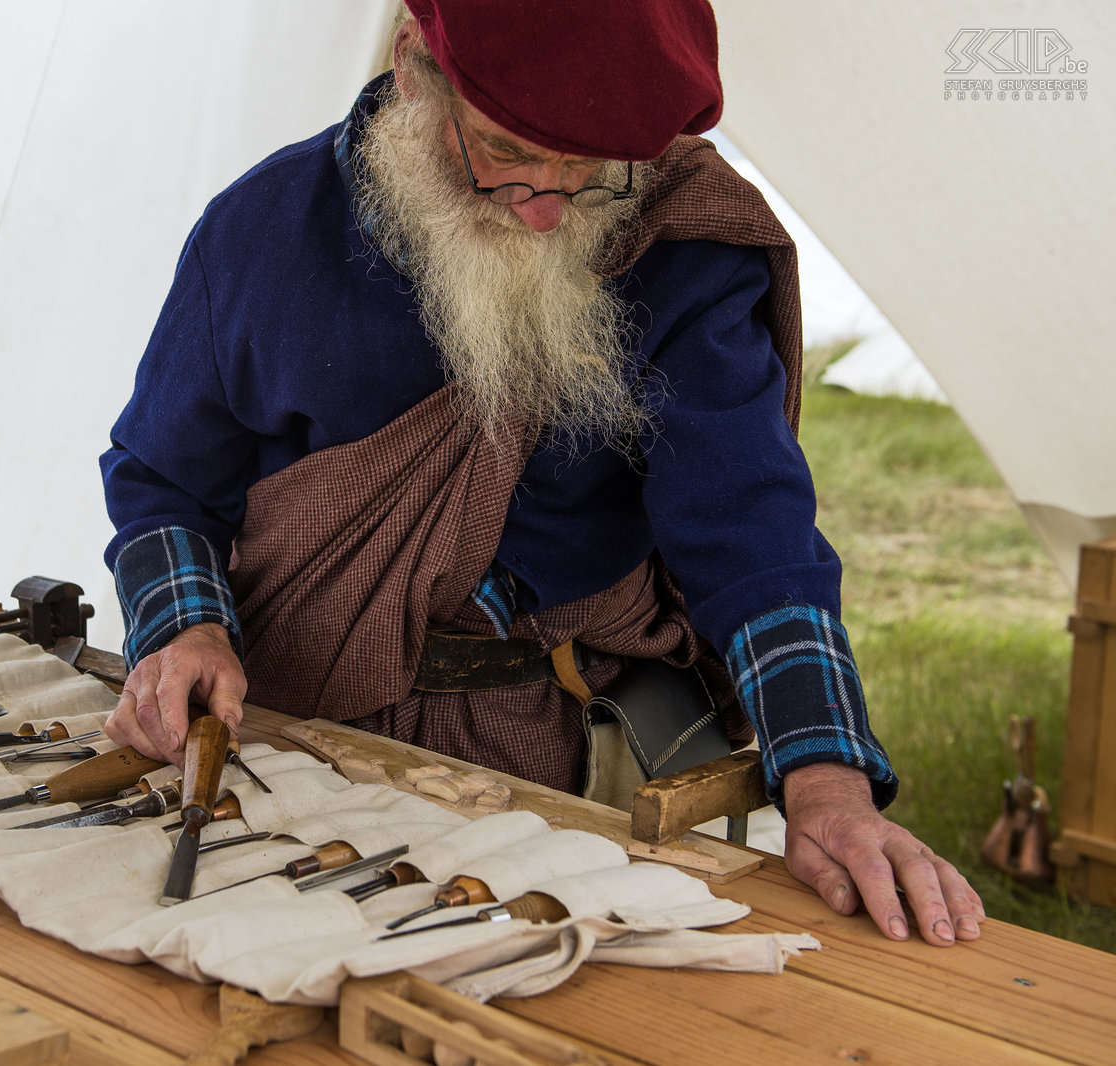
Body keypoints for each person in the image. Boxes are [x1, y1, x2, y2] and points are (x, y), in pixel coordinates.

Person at [98, 0, 984, 947]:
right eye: (508, 151)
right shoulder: (260, 231)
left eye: (590, 170)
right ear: (410, 63)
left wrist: (825, 777)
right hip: (288, 736)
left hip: (557, 744)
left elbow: (750, 524)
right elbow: (162, 478)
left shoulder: (676, 240)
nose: (547, 207)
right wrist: (188, 628)